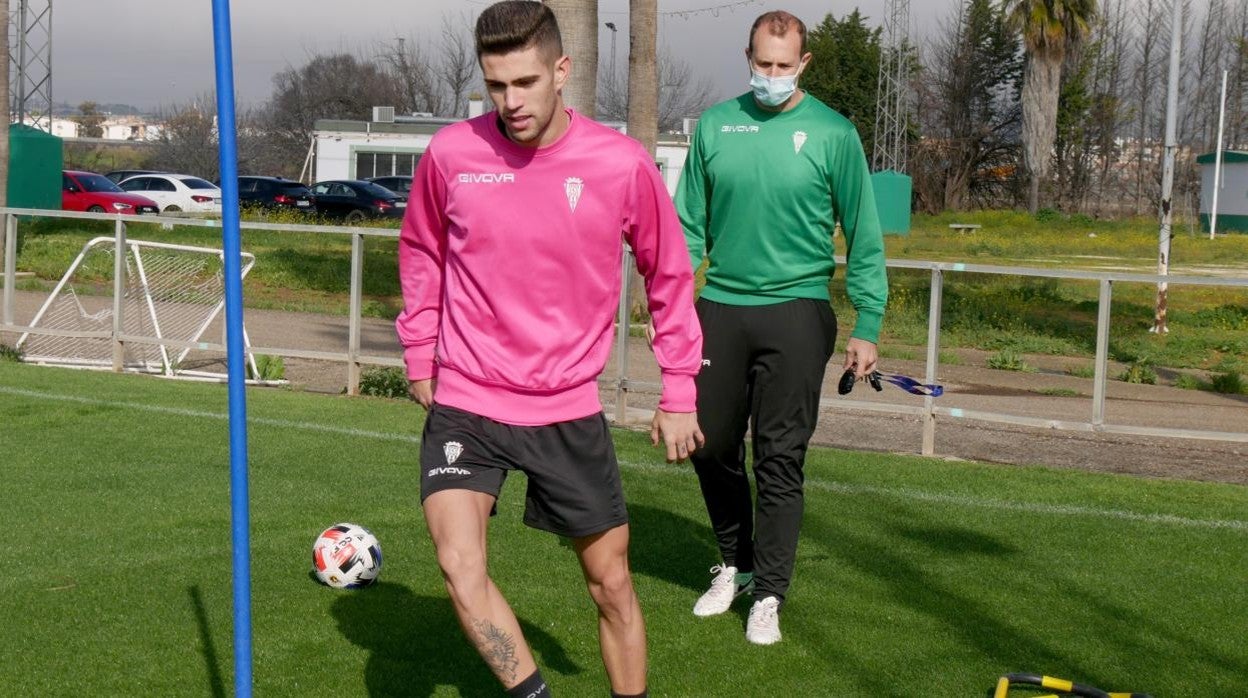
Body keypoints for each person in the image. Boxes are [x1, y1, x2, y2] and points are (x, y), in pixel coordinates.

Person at [395, 2, 704, 696]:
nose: (511, 102)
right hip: (468, 401)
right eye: (496, 85)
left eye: (526, 83)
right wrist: (421, 353)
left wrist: (678, 391)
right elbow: (422, 254)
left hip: (566, 408)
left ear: (561, 71)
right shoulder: (451, 154)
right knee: (458, 567)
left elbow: (670, 276)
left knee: (611, 584)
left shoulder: (619, 165)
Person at [672, 9, 888, 645]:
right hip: (721, 305)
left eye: (782, 66)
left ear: (803, 64)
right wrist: (672, 299)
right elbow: (687, 225)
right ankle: (734, 565)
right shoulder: (716, 124)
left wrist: (867, 321)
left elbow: (865, 235)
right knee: (708, 444)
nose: (770, 76)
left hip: (798, 310)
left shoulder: (832, 132)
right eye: (761, 64)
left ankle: (769, 591)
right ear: (748, 57)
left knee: (779, 458)